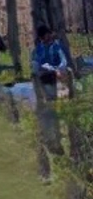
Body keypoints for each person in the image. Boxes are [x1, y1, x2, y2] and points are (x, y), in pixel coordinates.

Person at [33, 24, 67, 155]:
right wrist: (51, 69)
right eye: (47, 34)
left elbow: (63, 60)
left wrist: (60, 68)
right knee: (50, 110)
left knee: (57, 110)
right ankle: (51, 141)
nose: (50, 36)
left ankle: (57, 140)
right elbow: (37, 68)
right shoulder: (38, 50)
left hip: (57, 80)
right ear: (43, 37)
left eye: (49, 33)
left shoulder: (56, 46)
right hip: (45, 81)